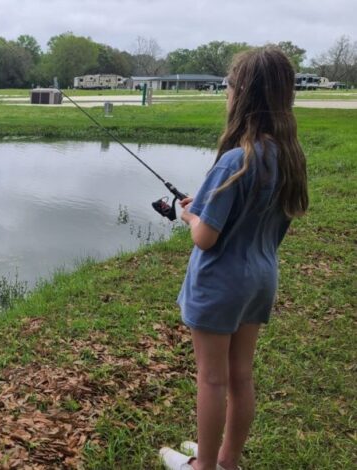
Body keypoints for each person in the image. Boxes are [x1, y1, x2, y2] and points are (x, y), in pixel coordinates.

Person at [159, 46, 309, 470]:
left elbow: (205, 238)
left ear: (241, 94)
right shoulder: (289, 157)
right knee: (241, 376)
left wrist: (190, 215)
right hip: (260, 280)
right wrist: (205, 206)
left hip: (220, 284)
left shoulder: (232, 161)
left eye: (228, 86)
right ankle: (226, 460)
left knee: (211, 378)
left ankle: (203, 467)